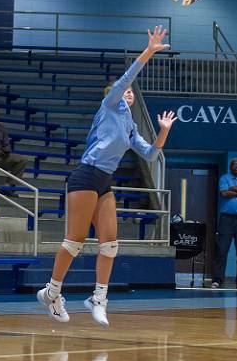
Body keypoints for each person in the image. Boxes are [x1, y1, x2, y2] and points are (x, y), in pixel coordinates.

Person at [36, 26, 177, 327]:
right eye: (124, 90)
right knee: (74, 241)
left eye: (130, 92)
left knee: (110, 244)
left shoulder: (130, 128)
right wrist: (149, 51)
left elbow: (151, 154)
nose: (128, 92)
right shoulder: (110, 105)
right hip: (86, 175)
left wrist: (163, 132)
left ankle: (98, 298)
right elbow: (128, 78)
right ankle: (52, 292)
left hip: (104, 181)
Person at [210, 158, 237, 289]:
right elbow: (224, 193)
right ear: (230, 167)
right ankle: (217, 280)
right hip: (226, 219)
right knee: (221, 250)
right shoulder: (224, 178)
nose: (236, 166)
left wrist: (234, 189)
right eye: (233, 165)